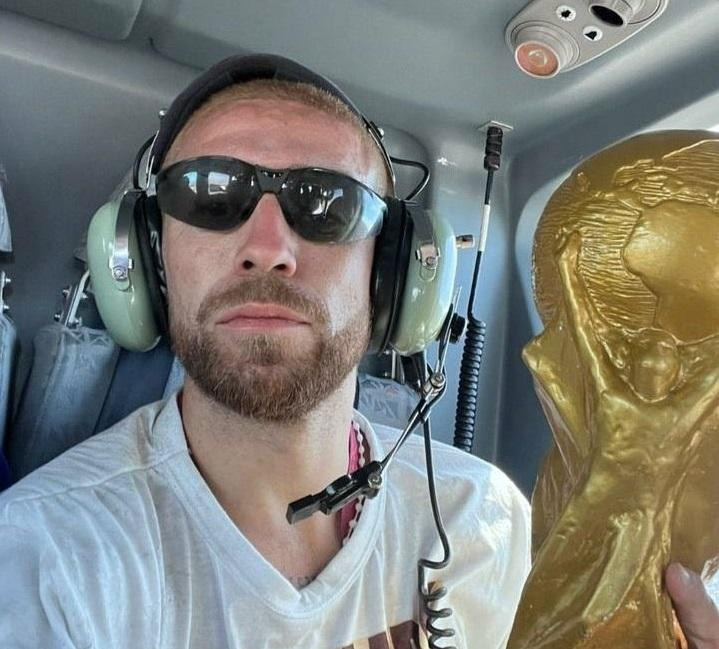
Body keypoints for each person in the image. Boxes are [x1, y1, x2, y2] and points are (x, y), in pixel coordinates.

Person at [0, 54, 530, 648]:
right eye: (210, 194)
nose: (267, 248)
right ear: (150, 259)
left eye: (328, 204)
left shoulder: (484, 520)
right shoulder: (43, 560)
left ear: (393, 274)